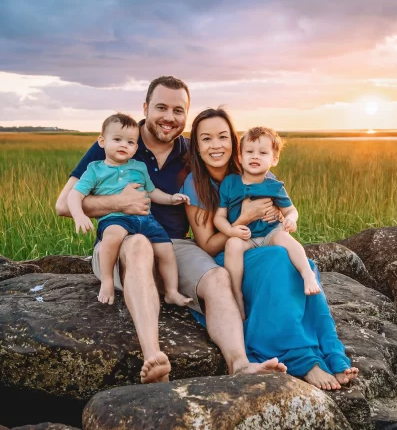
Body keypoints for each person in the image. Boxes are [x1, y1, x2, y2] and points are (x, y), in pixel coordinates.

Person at [55, 76, 287, 384]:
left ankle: (240, 363)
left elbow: (245, 170)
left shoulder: (193, 150)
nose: (169, 117)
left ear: (186, 114)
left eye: (178, 110)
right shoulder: (119, 138)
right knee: (138, 244)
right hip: (122, 239)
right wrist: (118, 202)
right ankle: (154, 358)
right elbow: (62, 205)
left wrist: (273, 206)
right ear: (145, 108)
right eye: (161, 107)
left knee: (217, 277)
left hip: (175, 245)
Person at [181, 107, 359, 390]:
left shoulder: (254, 168)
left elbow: (282, 210)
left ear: (234, 143)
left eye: (223, 137)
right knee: (279, 261)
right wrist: (244, 217)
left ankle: (332, 353)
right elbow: (206, 244)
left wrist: (280, 217)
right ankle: (302, 359)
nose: (216, 145)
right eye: (206, 139)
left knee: (303, 268)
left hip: (264, 243)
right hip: (230, 252)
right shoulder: (195, 184)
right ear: (197, 146)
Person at [67, 112, 192, 307]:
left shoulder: (139, 167)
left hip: (145, 219)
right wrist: (79, 215)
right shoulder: (95, 169)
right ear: (102, 142)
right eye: (117, 139)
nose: (124, 145)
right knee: (112, 235)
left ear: (136, 147)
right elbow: (74, 195)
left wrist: (171, 198)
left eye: (131, 142)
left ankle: (171, 291)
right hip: (115, 218)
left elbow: (152, 191)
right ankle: (107, 281)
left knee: (166, 248)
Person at [213, 126, 320, 320]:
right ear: (239, 157)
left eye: (263, 153)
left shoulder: (274, 186)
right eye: (249, 152)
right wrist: (231, 230)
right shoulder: (230, 183)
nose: (255, 157)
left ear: (274, 159)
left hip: (269, 234)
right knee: (232, 244)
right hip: (246, 237)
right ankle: (236, 294)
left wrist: (290, 219)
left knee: (284, 238)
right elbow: (219, 216)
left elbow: (291, 210)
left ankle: (307, 274)